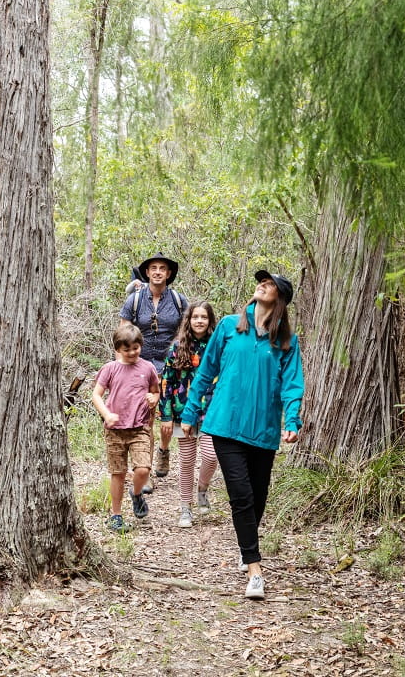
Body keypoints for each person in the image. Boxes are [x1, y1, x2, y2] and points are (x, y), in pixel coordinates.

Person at [181, 270, 303, 600]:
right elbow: (206, 372)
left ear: (281, 298)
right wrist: (190, 413)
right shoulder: (229, 327)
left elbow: (292, 385)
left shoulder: (286, 341)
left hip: (263, 429)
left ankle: (245, 544)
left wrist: (292, 420)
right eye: (261, 281)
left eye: (271, 284)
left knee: (258, 494)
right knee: (241, 495)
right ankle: (254, 568)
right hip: (224, 425)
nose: (263, 284)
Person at [119, 252, 187, 482]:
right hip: (141, 367)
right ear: (147, 273)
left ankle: (164, 451)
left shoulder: (179, 300)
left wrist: (180, 355)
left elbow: (186, 330)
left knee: (168, 418)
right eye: (153, 268)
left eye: (162, 268)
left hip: (171, 366)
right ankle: (144, 469)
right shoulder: (135, 300)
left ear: (168, 273)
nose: (158, 272)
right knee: (145, 419)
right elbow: (124, 334)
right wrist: (122, 366)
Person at [91, 324, 160, 532]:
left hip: (139, 427)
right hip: (115, 429)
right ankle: (116, 515)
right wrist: (107, 414)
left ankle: (137, 493)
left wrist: (153, 399)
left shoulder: (147, 368)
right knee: (118, 473)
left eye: (135, 348)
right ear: (118, 349)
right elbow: (96, 395)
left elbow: (156, 392)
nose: (132, 353)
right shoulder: (110, 369)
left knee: (143, 468)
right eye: (126, 349)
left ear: (141, 346)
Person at [158, 301, 219, 528]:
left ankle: (202, 489)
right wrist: (165, 415)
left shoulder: (216, 346)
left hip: (211, 411)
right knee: (186, 461)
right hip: (182, 411)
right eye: (195, 317)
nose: (200, 321)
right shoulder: (178, 347)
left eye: (204, 317)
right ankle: (185, 507)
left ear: (210, 320)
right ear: (189, 320)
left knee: (211, 455)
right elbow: (166, 381)